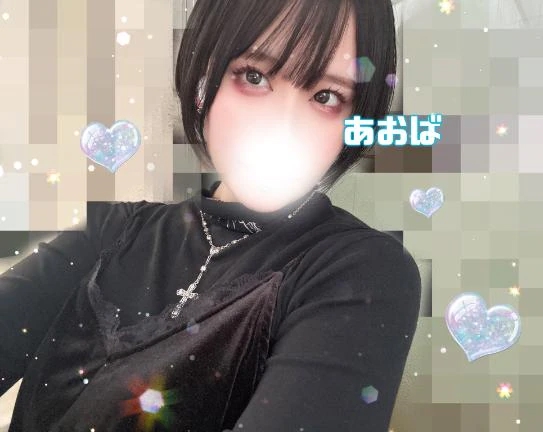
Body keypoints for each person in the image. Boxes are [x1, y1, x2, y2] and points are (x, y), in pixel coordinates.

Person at [0, 0, 421, 430]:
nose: (283, 128)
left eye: (325, 96)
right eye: (254, 76)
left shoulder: (360, 270)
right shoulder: (113, 230)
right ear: (205, 76)